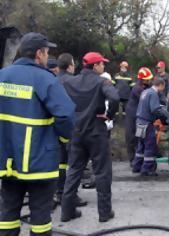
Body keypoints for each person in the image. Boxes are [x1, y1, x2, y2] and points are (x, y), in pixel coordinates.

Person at [0, 32, 75, 236]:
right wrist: (63, 138)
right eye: (47, 52)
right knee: (40, 219)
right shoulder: (45, 79)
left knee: (6, 215)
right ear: (39, 54)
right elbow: (66, 115)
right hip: (39, 162)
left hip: (8, 162)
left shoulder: (2, 76)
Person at [60, 52, 119, 223]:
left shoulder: (71, 81)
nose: (104, 66)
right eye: (102, 63)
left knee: (74, 171)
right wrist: (109, 115)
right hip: (96, 132)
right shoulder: (102, 82)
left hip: (76, 132)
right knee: (102, 172)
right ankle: (104, 213)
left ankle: (67, 211)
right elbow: (114, 98)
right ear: (95, 66)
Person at [53, 53, 87, 207]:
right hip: (70, 127)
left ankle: (59, 193)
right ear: (69, 66)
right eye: (73, 64)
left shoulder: (52, 81)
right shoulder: (73, 81)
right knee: (73, 164)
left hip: (54, 127)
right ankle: (70, 195)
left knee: (60, 162)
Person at [132, 76, 168, 176]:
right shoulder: (153, 94)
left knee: (141, 145)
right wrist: (166, 117)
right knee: (149, 146)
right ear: (160, 85)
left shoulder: (145, 92)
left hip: (139, 121)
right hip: (147, 123)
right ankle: (147, 169)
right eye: (163, 87)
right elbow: (155, 109)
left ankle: (137, 166)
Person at [125, 67, 153, 165]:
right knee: (132, 136)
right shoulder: (138, 89)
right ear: (142, 79)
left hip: (138, 113)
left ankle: (138, 159)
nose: (149, 80)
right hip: (132, 114)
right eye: (148, 79)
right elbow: (148, 100)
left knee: (139, 137)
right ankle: (132, 159)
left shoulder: (146, 87)